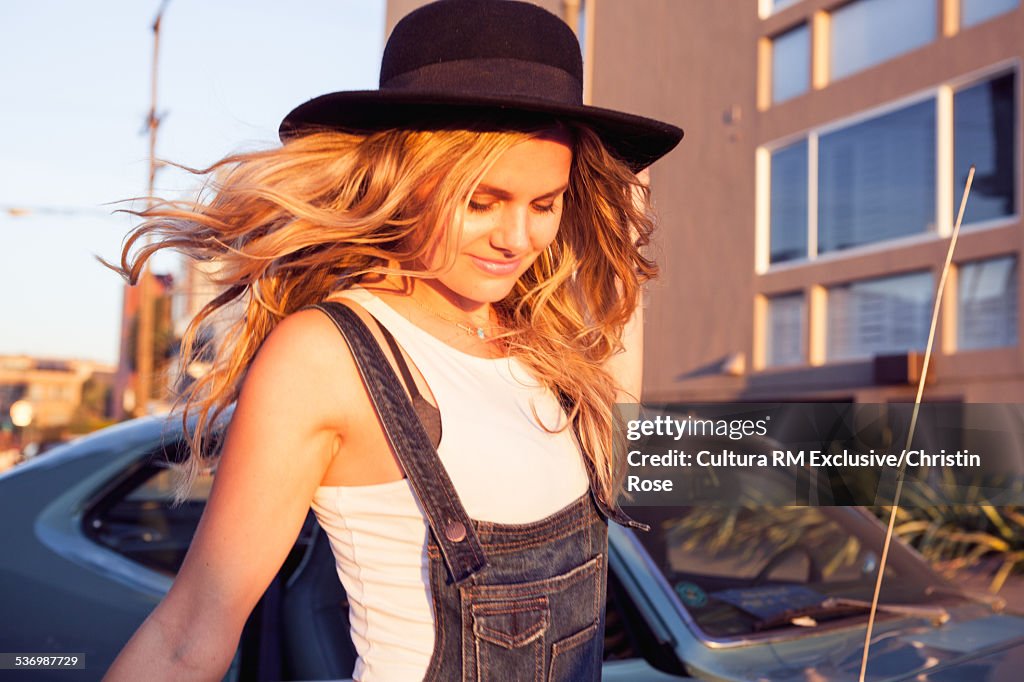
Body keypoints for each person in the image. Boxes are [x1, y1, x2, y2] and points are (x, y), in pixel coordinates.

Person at [104, 1, 681, 680]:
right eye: (482, 200)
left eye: (543, 204)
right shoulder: (327, 356)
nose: (517, 239)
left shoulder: (540, 348)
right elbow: (189, 632)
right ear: (406, 181)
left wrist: (832, 465)